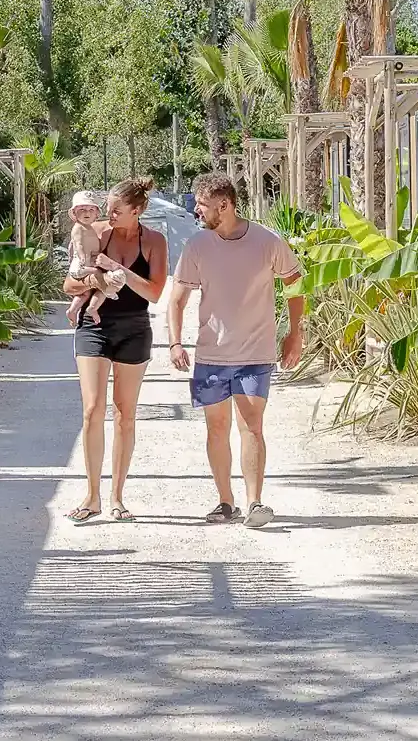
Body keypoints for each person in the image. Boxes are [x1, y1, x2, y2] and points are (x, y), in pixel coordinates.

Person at [166, 172, 304, 527]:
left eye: (202, 205)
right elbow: (177, 299)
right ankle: (225, 502)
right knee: (216, 428)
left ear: (224, 205)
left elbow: (294, 283)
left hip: (255, 355)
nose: (197, 211)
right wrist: (176, 342)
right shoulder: (197, 245)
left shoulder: (267, 242)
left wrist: (295, 332)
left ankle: (255, 502)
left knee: (252, 426)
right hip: (211, 356)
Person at [65, 176, 167, 523]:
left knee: (125, 415)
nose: (108, 214)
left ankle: (117, 497)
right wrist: (97, 280)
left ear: (137, 211)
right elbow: (69, 283)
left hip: (135, 328)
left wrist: (117, 269)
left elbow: (154, 293)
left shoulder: (153, 241)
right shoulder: (95, 232)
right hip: (94, 326)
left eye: (117, 210)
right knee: (92, 409)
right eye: (107, 207)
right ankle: (91, 496)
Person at [63, 189, 113, 327]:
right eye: (82, 209)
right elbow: (78, 244)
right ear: (74, 213)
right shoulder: (78, 228)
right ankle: (107, 292)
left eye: (91, 209)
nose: (87, 213)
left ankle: (79, 309)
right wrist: (84, 259)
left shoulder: (90, 228)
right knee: (100, 278)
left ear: (96, 214)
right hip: (80, 265)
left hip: (88, 264)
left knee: (86, 293)